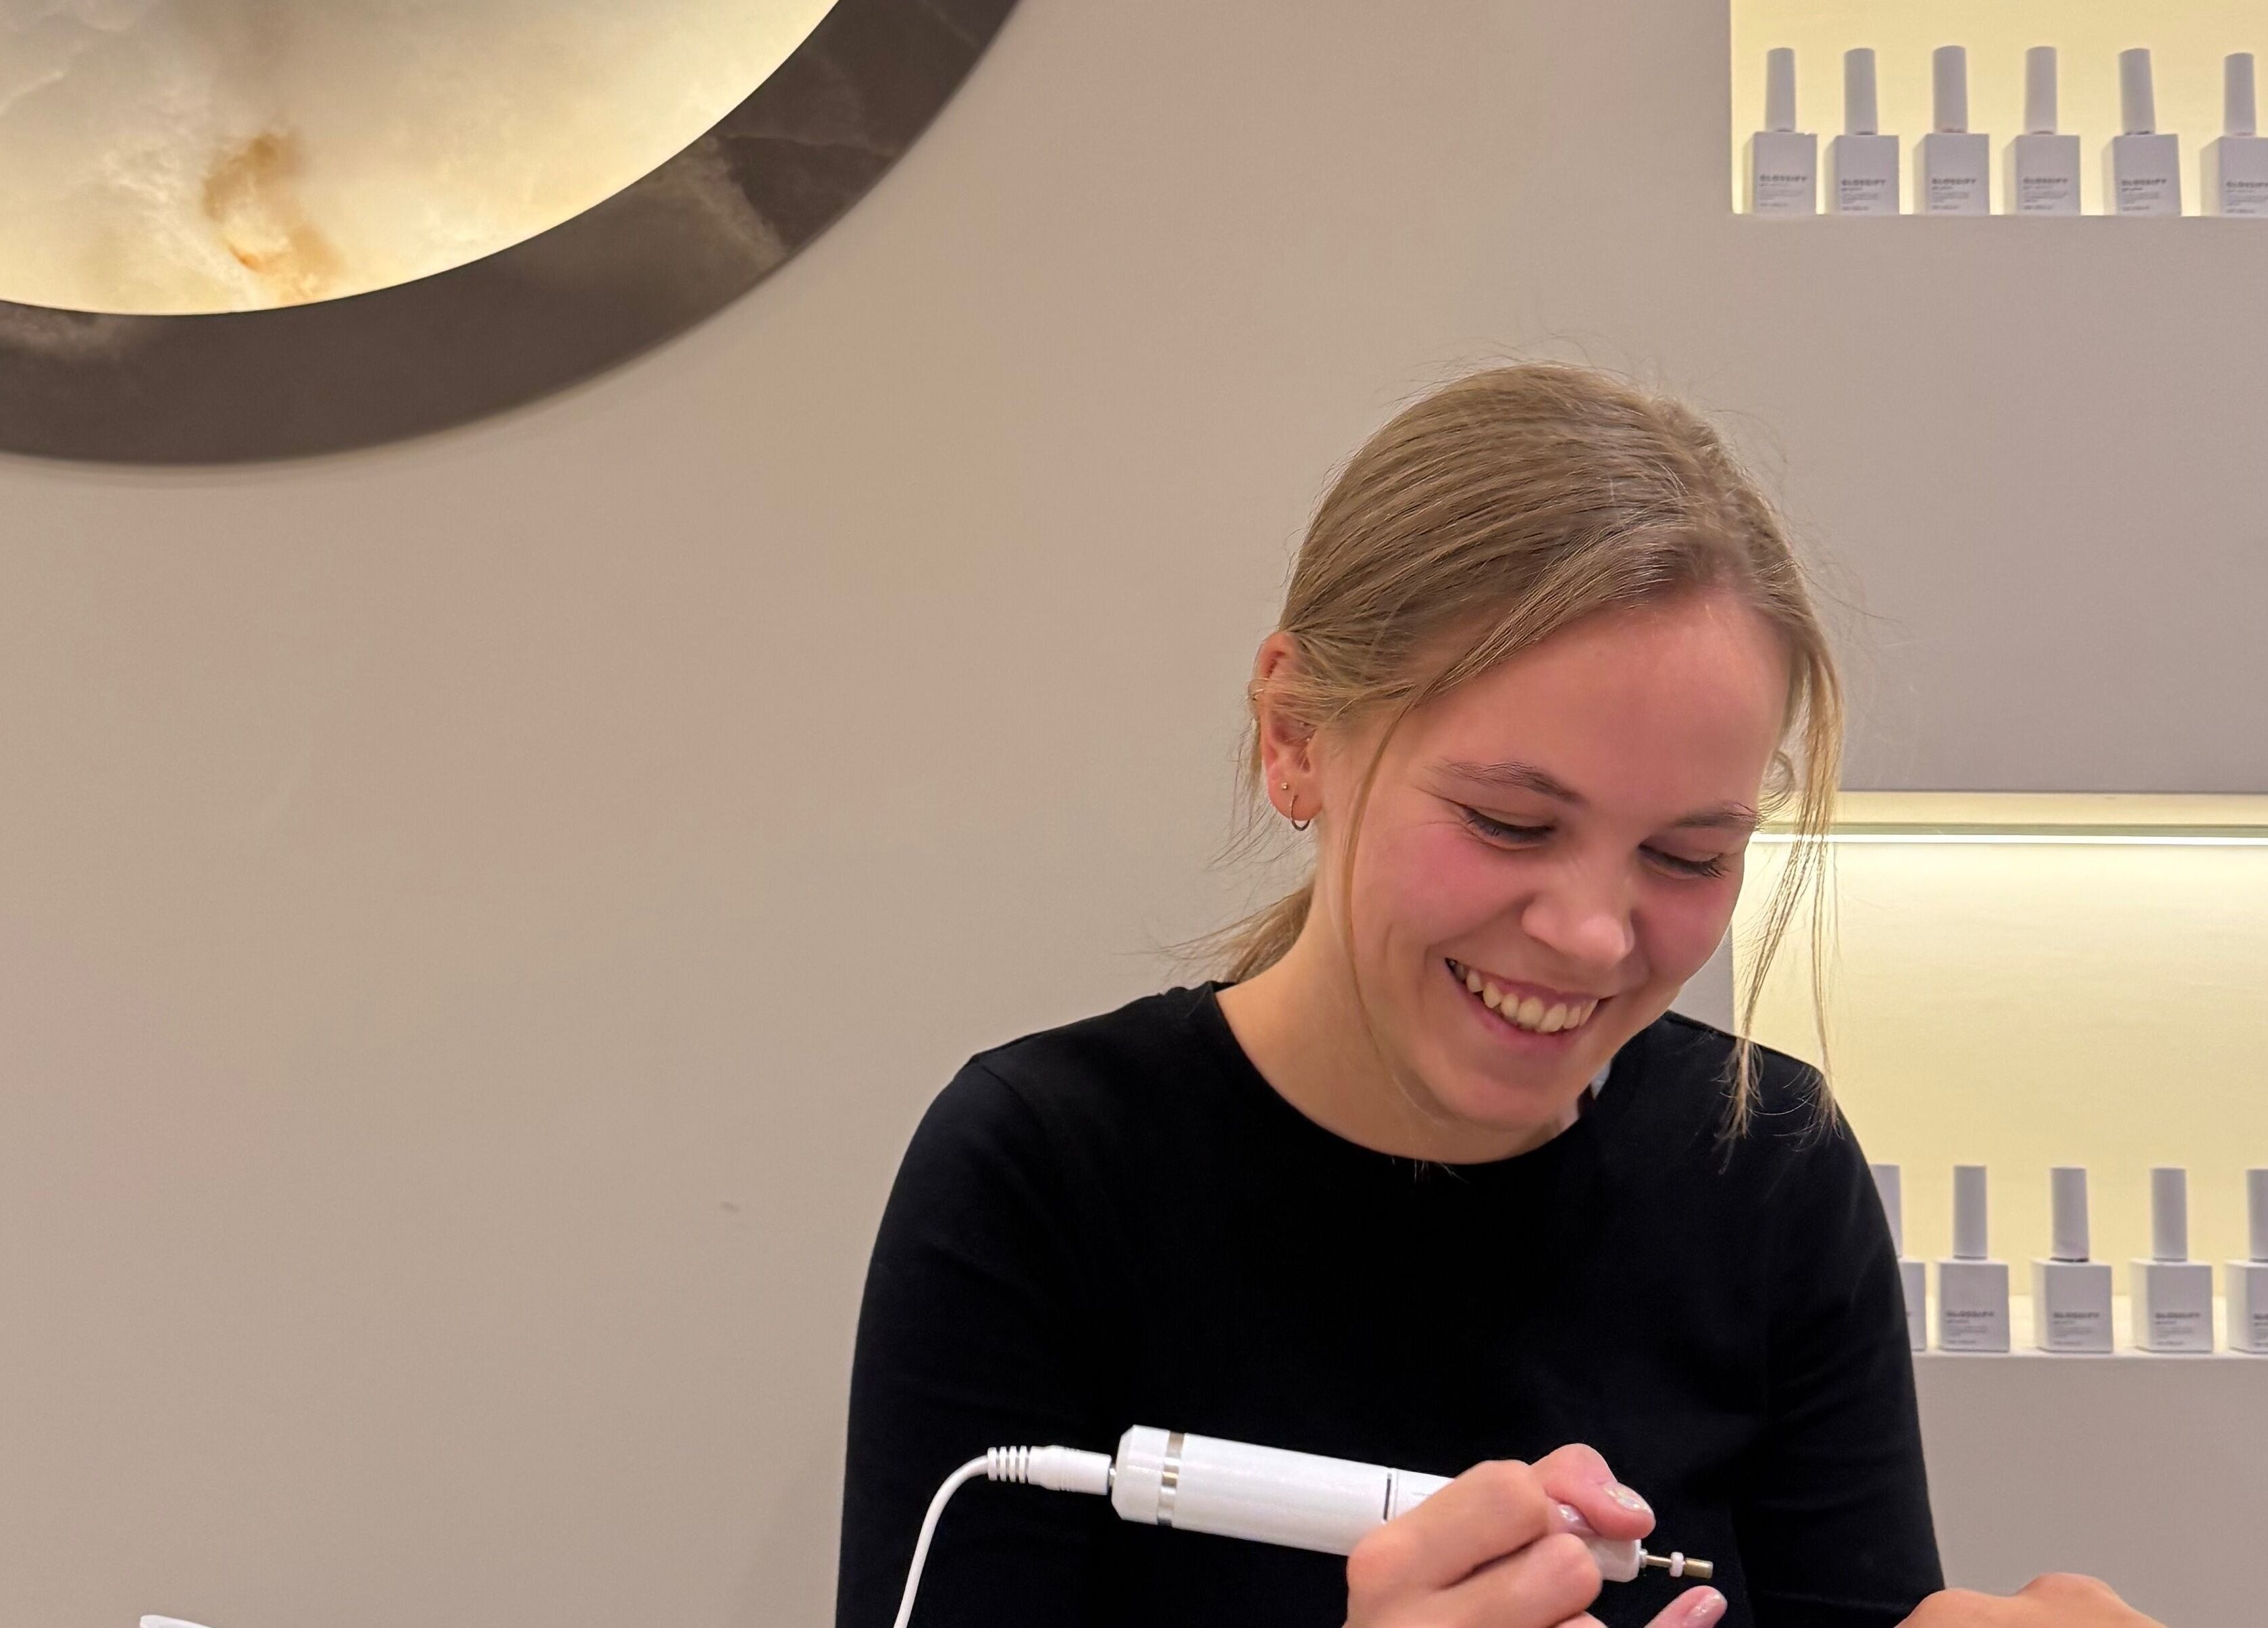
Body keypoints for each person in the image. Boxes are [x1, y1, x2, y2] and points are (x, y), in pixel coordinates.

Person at [832, 365, 2163, 1628]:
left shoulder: (1762, 1167)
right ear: (1295, 736)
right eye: (1508, 821)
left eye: (1686, 854)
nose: (1590, 935)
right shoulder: (1047, 1172)